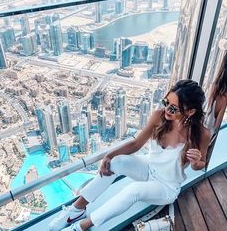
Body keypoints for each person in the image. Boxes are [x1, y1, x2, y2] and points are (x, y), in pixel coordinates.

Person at [49, 79, 210, 231]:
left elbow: (200, 165)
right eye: (166, 102)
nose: (167, 109)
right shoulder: (159, 117)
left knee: (133, 190)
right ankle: (76, 210)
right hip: (149, 167)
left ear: (190, 111)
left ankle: (81, 226)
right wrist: (109, 156)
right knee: (116, 162)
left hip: (166, 186)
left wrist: (196, 162)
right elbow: (136, 144)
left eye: (174, 108)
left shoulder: (201, 134)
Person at [204, 50, 227, 138]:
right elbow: (218, 123)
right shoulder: (225, 96)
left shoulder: (215, 85)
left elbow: (207, 108)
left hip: (202, 127)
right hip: (208, 134)